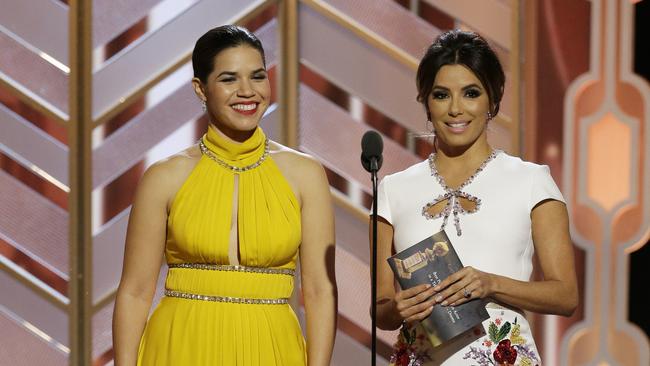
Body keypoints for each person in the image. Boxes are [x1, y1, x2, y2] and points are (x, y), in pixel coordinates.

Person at [112, 25, 337, 366]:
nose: (247, 92)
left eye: (258, 76)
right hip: (180, 347)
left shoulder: (305, 174)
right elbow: (135, 291)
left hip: (272, 349)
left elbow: (320, 291)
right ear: (201, 89)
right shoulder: (164, 177)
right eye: (229, 79)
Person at [373, 30, 578, 365]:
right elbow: (381, 309)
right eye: (441, 95)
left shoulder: (530, 180)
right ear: (425, 101)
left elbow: (565, 295)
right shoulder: (392, 189)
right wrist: (397, 307)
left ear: (493, 101)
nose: (456, 109)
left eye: (471, 93)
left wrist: (491, 283)